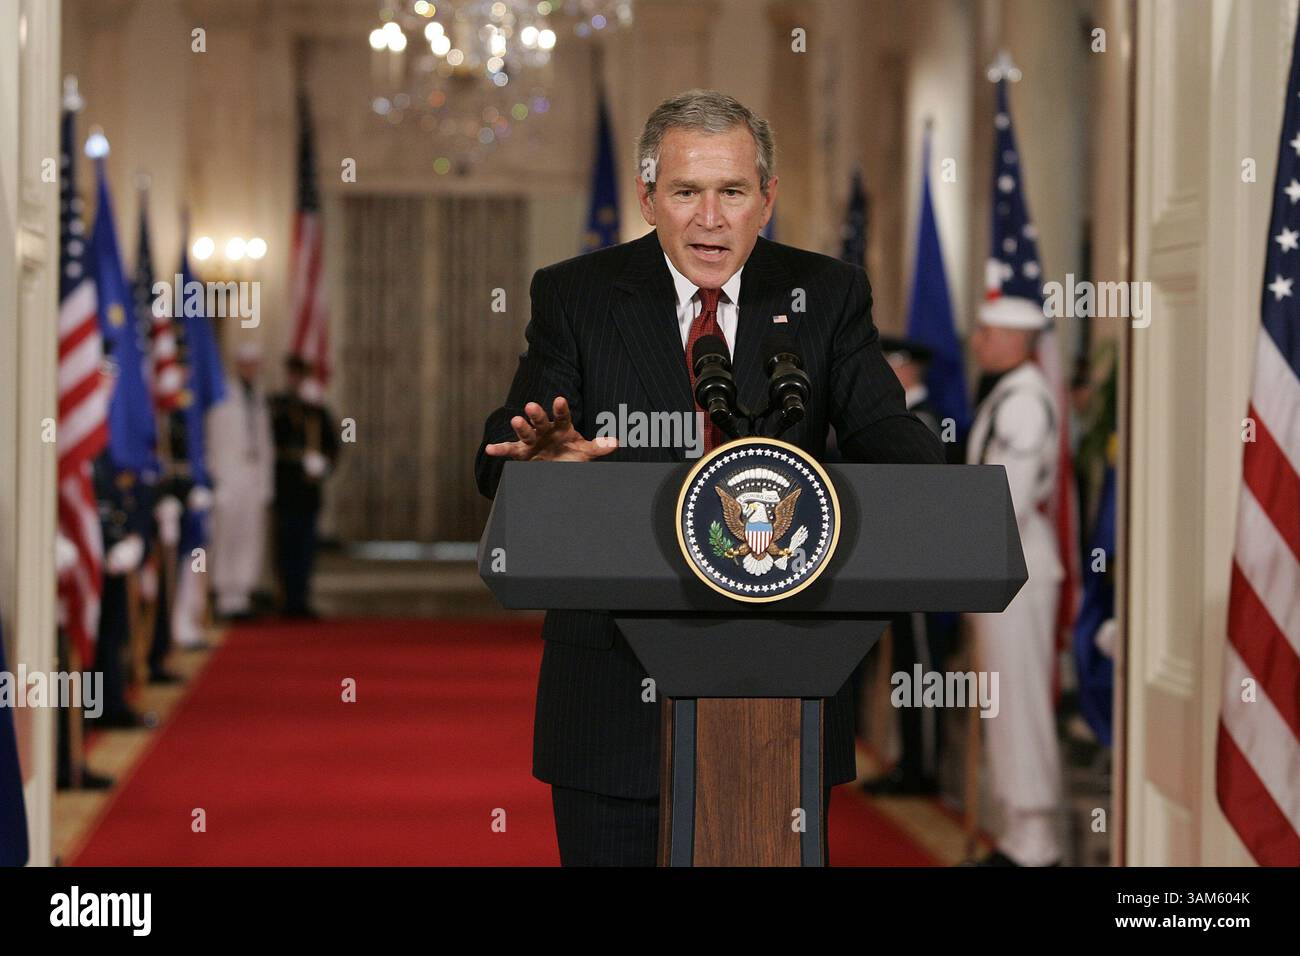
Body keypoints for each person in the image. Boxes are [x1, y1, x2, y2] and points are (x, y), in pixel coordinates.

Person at [474, 89, 944, 866]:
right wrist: (537, 463)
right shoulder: (577, 294)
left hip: (781, 686)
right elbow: (509, 436)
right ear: (648, 197)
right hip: (612, 694)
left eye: (732, 192)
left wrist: (934, 480)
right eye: (686, 192)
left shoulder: (826, 295)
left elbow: (886, 434)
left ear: (767, 198)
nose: (710, 218)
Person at [965, 296, 1064, 867]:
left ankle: (1036, 841)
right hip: (1000, 565)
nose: (979, 341)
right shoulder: (1008, 393)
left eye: (988, 332)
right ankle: (1016, 832)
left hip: (1016, 566)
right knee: (1001, 702)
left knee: (1018, 701)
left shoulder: (1024, 401)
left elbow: (1010, 500)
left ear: (1016, 340)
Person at [861, 337, 954, 796]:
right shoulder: (896, 419)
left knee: (920, 665)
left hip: (921, 562)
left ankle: (923, 767)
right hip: (898, 560)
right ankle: (909, 759)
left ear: (907, 367)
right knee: (904, 664)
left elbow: (922, 497)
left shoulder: (923, 420)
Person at [208, 342, 274, 619]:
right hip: (227, 474)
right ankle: (225, 594)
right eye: (246, 364)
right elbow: (211, 438)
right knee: (226, 536)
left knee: (250, 535)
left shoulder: (259, 398)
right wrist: (215, 479)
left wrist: (267, 485)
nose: (250, 370)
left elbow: (266, 444)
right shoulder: (223, 395)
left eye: (255, 365)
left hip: (253, 473)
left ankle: (243, 593)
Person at [270, 356, 338, 618]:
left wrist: (324, 465)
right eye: (293, 375)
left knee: (306, 548)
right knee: (286, 547)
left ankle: (302, 597)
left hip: (309, 493)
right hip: (286, 489)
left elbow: (333, 446)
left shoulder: (319, 411)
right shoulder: (278, 407)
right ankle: (286, 598)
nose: (297, 380)